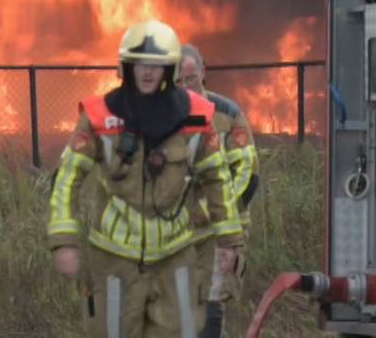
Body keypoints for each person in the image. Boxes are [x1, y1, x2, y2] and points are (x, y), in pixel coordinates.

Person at [48, 19, 244, 337]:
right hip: (113, 259)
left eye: (156, 65)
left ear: (170, 69)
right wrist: (63, 243)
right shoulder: (100, 118)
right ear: (126, 68)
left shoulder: (196, 116)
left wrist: (230, 242)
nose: (147, 72)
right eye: (139, 64)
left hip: (175, 257)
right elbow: (67, 179)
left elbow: (218, 178)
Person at [179, 43, 259, 338]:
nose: (185, 87)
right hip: (177, 236)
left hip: (220, 233)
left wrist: (215, 216)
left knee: (210, 313)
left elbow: (248, 177)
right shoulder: (163, 118)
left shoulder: (226, 114)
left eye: (190, 78)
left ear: (203, 72)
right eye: (177, 81)